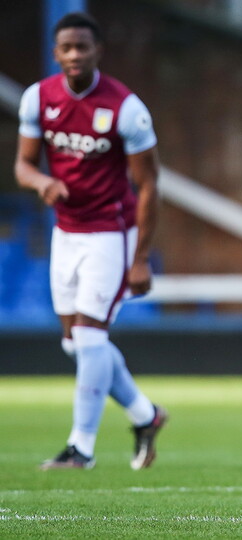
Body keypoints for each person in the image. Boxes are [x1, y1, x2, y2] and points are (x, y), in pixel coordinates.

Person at [15, 12, 166, 470]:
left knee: (88, 335)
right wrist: (41, 182)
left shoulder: (125, 107)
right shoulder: (37, 98)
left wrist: (139, 259)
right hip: (67, 232)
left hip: (110, 234)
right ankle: (146, 414)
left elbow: (150, 185)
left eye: (84, 47)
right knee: (76, 343)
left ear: (97, 51)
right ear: (56, 53)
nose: (75, 55)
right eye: (67, 48)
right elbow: (21, 165)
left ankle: (81, 447)